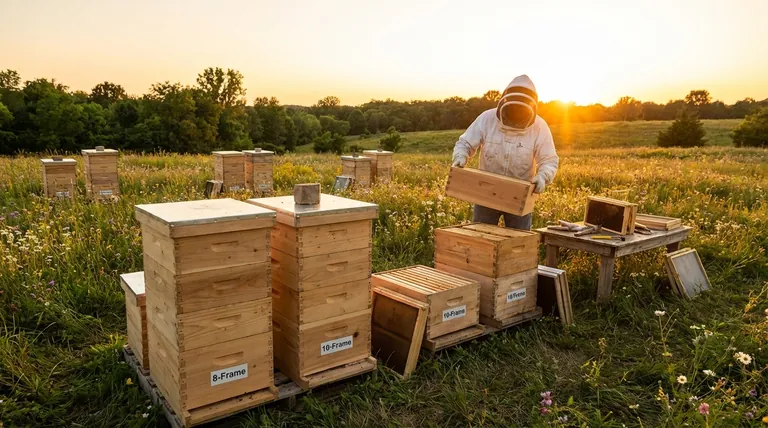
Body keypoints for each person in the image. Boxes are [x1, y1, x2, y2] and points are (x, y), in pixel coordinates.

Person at [452, 75, 559, 230]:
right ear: (503, 103)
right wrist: (461, 156)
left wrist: (543, 177)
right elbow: (465, 143)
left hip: (520, 196)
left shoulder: (540, 127)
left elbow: (549, 160)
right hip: (486, 193)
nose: (515, 116)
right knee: (482, 239)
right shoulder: (487, 118)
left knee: (518, 242)